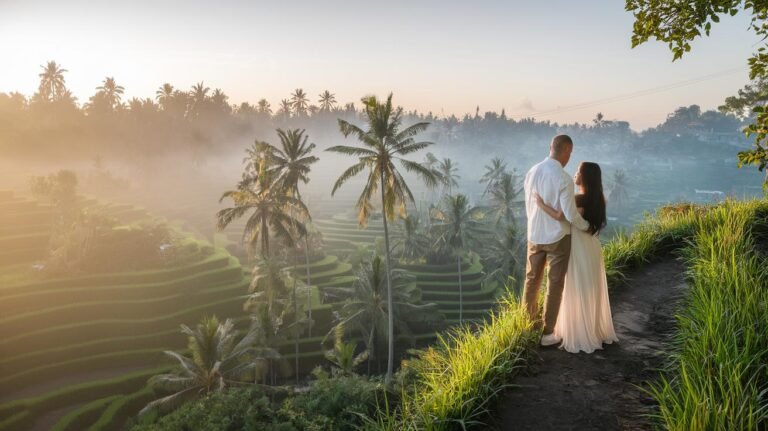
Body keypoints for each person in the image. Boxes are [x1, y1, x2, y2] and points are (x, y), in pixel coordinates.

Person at [535, 161, 618, 353]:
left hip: (579, 246)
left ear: (585, 177)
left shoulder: (579, 199)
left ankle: (579, 330)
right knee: (590, 287)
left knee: (576, 286)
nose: (575, 174)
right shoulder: (600, 199)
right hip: (592, 246)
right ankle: (591, 329)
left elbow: (560, 216)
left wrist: (540, 204)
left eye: (578, 172)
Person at [523, 134, 590, 347]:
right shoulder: (563, 178)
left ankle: (528, 325)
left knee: (532, 280)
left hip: (534, 234)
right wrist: (587, 227)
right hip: (558, 237)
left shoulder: (532, 171)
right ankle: (547, 333)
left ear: (550, 146)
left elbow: (529, 205)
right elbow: (569, 215)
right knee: (554, 283)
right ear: (567, 152)